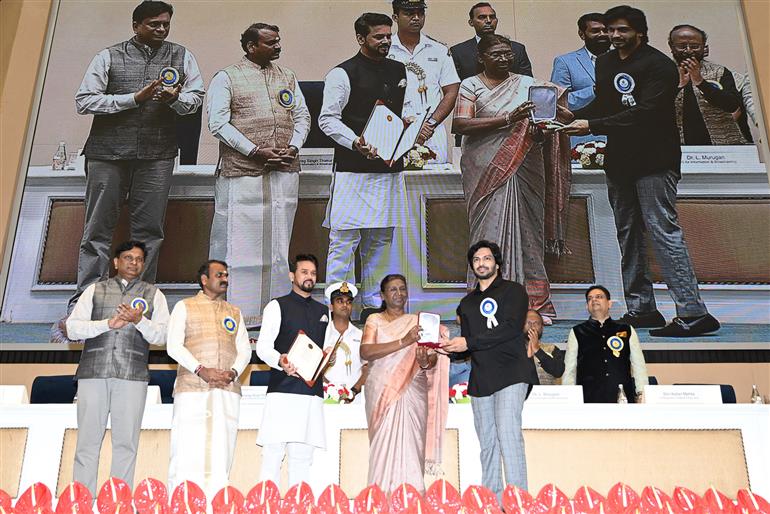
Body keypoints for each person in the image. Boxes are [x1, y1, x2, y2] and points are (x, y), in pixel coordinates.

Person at [561, 5, 720, 337]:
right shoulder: (605, 62)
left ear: (640, 33)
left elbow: (645, 114)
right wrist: (567, 115)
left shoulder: (658, 65)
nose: (614, 36)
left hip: (655, 162)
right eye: (609, 30)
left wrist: (590, 124)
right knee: (628, 235)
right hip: (619, 162)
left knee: (663, 233)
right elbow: (606, 105)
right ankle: (642, 308)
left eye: (621, 30)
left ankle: (693, 312)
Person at [71, 0, 204, 310]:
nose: (161, 29)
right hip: (106, 154)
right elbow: (85, 101)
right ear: (136, 26)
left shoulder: (182, 55)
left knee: (149, 232)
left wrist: (176, 100)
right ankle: (86, 301)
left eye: (165, 24)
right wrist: (133, 99)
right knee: (97, 231)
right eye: (153, 24)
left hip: (157, 156)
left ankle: (139, 302)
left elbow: (196, 99)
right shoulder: (108, 56)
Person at [452, 34, 572, 322]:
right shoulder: (471, 85)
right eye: (497, 54)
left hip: (525, 168)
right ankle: (486, 303)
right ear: (482, 57)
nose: (505, 58)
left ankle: (531, 305)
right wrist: (509, 118)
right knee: (488, 234)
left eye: (508, 53)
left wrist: (558, 116)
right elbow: (460, 124)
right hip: (485, 170)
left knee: (528, 233)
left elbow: (557, 113)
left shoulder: (530, 85)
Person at [207, 23, 311, 327]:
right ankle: (235, 315)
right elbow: (218, 123)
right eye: (270, 43)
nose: (277, 47)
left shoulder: (287, 76)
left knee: (279, 245)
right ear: (251, 46)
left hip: (283, 172)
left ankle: (274, 316)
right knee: (238, 246)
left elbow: (302, 115)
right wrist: (254, 151)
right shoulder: (226, 77)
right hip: (243, 173)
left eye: (278, 41)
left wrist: (293, 146)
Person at [318, 13, 407, 316]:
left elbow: (404, 113)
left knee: (381, 241)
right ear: (360, 38)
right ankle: (338, 308)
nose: (385, 41)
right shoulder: (342, 73)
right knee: (343, 242)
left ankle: (373, 306)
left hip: (388, 170)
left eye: (388, 35)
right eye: (378, 36)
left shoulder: (399, 70)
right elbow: (327, 119)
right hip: (352, 172)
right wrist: (355, 141)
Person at [65, 240, 169, 497]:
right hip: (93, 373)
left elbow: (163, 336)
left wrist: (139, 320)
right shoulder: (94, 290)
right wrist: (107, 324)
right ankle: (82, 502)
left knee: (126, 443)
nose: (133, 263)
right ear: (116, 262)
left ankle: (118, 502)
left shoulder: (154, 294)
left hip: (132, 376)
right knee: (88, 442)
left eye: (138, 259)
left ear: (143, 264)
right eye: (128, 258)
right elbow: (72, 328)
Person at [441, 240, 538, 499]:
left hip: (511, 373)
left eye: (486, 258)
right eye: (476, 260)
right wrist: (446, 347)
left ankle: (518, 500)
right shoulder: (467, 303)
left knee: (508, 435)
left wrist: (467, 343)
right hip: (481, 378)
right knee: (487, 442)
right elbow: (467, 345)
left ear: (497, 263)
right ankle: (491, 500)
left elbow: (511, 327)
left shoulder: (514, 291)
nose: (481, 263)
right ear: (472, 266)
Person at [166, 260, 251, 497]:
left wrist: (233, 372)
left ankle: (217, 503)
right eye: (219, 274)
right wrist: (201, 369)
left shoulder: (234, 312)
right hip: (192, 389)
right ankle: (181, 503)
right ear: (204, 280)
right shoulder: (185, 306)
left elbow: (244, 350)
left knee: (222, 449)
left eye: (226, 275)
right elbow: (173, 346)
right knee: (186, 448)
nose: (224, 278)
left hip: (226, 389)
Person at [360, 274, 449, 494]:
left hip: (413, 389)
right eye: (393, 289)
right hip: (381, 392)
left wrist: (424, 360)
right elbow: (366, 351)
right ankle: (380, 499)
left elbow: (431, 357)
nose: (398, 294)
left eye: (402, 289)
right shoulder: (375, 320)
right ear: (383, 295)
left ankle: (412, 497)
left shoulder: (418, 323)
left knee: (411, 445)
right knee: (382, 447)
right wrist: (403, 341)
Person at [255, 254, 329, 486]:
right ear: (292, 275)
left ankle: (299, 506)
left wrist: (329, 357)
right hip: (282, 391)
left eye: (313, 273)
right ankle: (267, 507)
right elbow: (263, 347)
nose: (309, 277)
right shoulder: (277, 306)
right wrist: (281, 362)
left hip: (310, 394)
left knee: (302, 459)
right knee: (272, 456)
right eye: (304, 272)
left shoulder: (323, 310)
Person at [387, 0, 460, 164]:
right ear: (395, 17)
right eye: (409, 13)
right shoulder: (385, 49)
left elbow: (452, 91)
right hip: (395, 128)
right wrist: (403, 125)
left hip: (431, 130)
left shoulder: (439, 50)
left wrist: (430, 124)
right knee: (395, 181)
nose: (416, 18)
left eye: (420, 13)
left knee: (434, 184)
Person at [562, 285, 648, 403]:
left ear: (609, 303)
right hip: (589, 398)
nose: (594, 300)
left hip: (621, 397)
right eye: (590, 298)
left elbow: (639, 365)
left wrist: (642, 393)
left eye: (599, 297)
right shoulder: (577, 331)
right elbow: (569, 369)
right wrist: (568, 396)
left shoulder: (626, 329)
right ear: (587, 306)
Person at [667, 24, 750, 145]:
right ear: (672, 47)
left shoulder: (720, 72)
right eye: (682, 46)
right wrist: (678, 86)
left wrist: (700, 82)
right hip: (676, 147)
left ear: (704, 48)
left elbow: (732, 105)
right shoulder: (662, 72)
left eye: (695, 46)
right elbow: (653, 110)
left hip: (723, 145)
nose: (688, 50)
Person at [550, 13, 610, 150]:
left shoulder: (626, 61)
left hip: (622, 137)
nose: (602, 34)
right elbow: (559, 102)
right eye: (595, 31)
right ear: (582, 34)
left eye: (606, 30)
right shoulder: (565, 62)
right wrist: (594, 90)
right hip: (583, 141)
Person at [451, 2, 533, 80]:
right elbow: (455, 86)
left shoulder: (517, 49)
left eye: (492, 17)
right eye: (482, 17)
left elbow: (527, 83)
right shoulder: (458, 52)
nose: (488, 21)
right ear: (471, 22)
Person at [323, 282, 367, 402]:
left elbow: (367, 367)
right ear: (331, 306)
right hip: (326, 398)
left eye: (348, 302)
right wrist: (332, 390)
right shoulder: (322, 333)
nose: (345, 305)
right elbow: (313, 367)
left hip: (354, 399)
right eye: (340, 301)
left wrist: (353, 391)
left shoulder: (360, 335)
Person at [525, 309, 564, 385]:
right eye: (528, 322)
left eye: (536, 323)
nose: (532, 326)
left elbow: (558, 371)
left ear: (542, 327)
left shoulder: (552, 348)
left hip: (547, 395)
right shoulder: (513, 350)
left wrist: (537, 350)